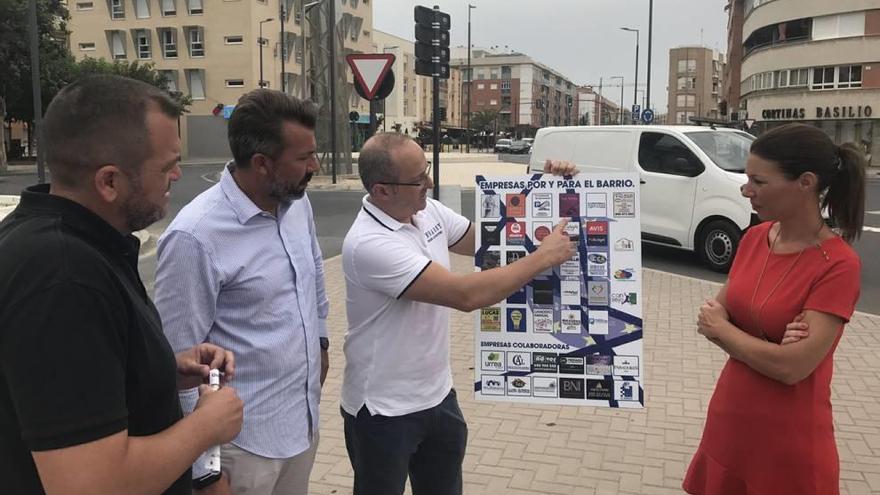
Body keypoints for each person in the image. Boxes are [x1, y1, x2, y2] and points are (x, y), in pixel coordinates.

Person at [0, 75, 243, 494]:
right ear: (109, 182)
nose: (177, 175)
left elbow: (59, 390)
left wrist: (159, 371)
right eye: (167, 166)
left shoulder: (71, 242)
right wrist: (206, 427)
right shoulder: (64, 277)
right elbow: (90, 484)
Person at [340, 132, 577, 495]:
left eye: (427, 170)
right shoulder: (369, 244)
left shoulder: (427, 211)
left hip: (438, 397)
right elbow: (465, 295)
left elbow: (494, 240)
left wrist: (548, 188)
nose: (430, 183)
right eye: (419, 179)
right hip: (383, 411)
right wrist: (544, 257)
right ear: (382, 190)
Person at [155, 89, 329, 495]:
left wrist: (320, 341)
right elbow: (176, 366)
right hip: (241, 450)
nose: (315, 167)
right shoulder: (195, 237)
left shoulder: (295, 203)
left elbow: (315, 273)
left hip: (301, 425)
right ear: (262, 164)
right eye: (303, 159)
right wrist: (206, 471)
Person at [683, 123, 865, 495]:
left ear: (806, 182)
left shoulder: (837, 264)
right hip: (728, 424)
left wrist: (728, 332)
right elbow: (710, 318)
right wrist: (764, 343)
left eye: (759, 182)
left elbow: (791, 368)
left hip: (787, 443)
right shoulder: (753, 238)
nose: (746, 190)